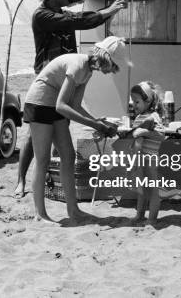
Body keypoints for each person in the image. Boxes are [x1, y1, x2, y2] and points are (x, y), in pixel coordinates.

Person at [14, 0, 126, 198]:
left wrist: (112, 10)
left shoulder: (62, 13)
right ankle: (21, 180)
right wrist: (112, 8)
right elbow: (81, 21)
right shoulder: (42, 16)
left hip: (68, 73)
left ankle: (52, 176)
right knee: (33, 133)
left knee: (60, 126)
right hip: (47, 76)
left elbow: (84, 18)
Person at [24, 36, 127, 223]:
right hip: (39, 103)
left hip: (53, 104)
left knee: (69, 156)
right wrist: (96, 125)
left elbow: (75, 105)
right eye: (112, 66)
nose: (111, 71)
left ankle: (73, 210)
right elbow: (62, 106)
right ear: (105, 58)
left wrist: (97, 120)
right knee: (43, 159)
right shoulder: (78, 65)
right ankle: (40, 214)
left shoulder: (87, 71)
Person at [129, 81, 166, 224]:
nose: (134, 105)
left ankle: (151, 219)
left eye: (137, 101)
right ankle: (139, 215)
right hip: (140, 159)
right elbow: (136, 140)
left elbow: (161, 135)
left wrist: (144, 131)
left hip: (152, 159)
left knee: (153, 191)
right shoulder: (139, 118)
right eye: (133, 101)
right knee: (141, 189)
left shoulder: (153, 116)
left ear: (148, 101)